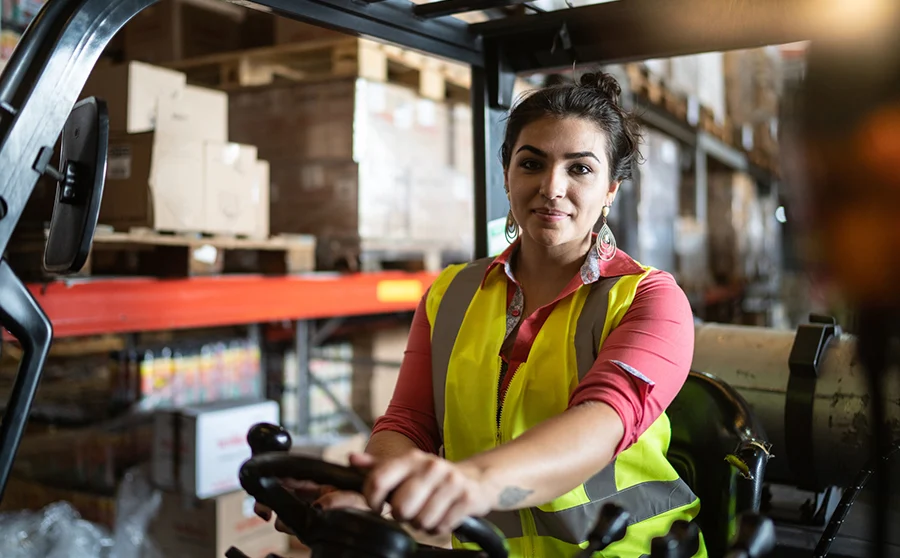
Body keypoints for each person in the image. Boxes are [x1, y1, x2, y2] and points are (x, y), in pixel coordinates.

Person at [257, 70, 704, 557]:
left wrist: (468, 482)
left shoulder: (650, 301)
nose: (551, 187)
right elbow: (409, 422)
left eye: (580, 169)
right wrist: (368, 493)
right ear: (507, 174)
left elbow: (599, 424)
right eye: (531, 163)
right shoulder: (450, 294)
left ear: (611, 190)